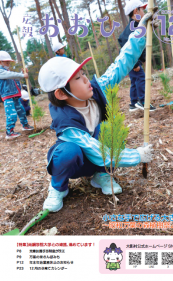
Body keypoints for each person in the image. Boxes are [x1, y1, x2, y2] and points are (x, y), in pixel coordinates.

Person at [38, 11, 159, 212]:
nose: (86, 80)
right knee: (67, 151)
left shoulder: (94, 90)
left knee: (109, 129)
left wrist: (139, 33)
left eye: (83, 74)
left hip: (99, 158)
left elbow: (121, 63)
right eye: (78, 78)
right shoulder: (65, 121)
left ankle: (101, 175)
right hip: (77, 162)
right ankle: (58, 187)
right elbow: (95, 150)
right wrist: (137, 156)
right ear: (61, 94)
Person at [118, 0, 156, 112]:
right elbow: (122, 40)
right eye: (142, 9)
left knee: (134, 80)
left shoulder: (136, 26)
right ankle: (143, 101)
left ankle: (133, 103)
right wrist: (135, 63)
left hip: (130, 61)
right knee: (140, 78)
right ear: (136, 10)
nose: (144, 12)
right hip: (132, 61)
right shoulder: (133, 27)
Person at [0, 51, 34, 139]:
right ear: (0, 62)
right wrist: (22, 75)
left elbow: (16, 77)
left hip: (15, 96)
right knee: (11, 114)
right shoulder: (1, 72)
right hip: (8, 97)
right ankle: (9, 132)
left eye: (9, 62)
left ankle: (25, 125)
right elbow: (11, 75)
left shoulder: (7, 71)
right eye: (7, 62)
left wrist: (23, 74)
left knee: (22, 111)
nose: (8, 64)